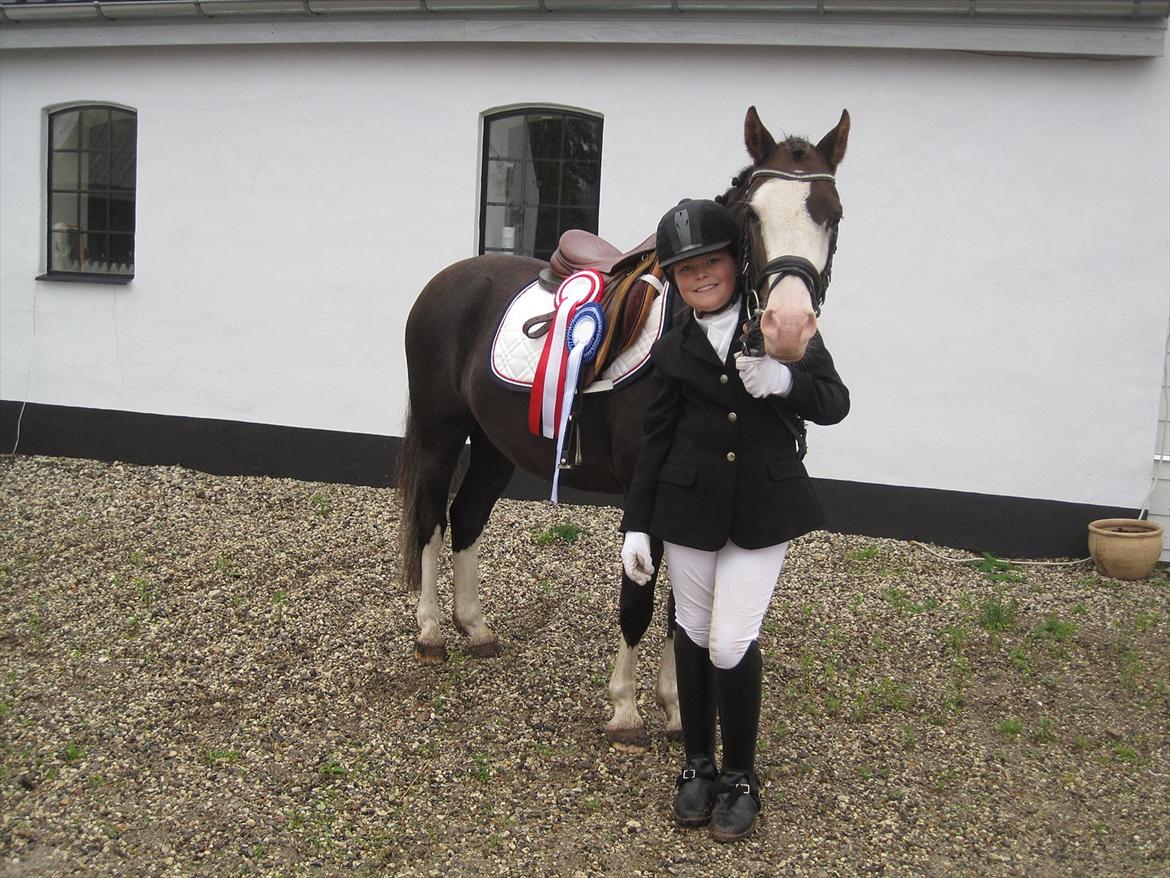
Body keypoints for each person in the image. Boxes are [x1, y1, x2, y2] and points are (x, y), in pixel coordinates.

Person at [620, 198, 850, 842]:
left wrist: (783, 380)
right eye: (685, 268)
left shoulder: (782, 328)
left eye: (712, 262)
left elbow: (835, 402)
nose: (700, 276)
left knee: (728, 641)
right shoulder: (671, 349)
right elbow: (655, 442)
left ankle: (742, 775)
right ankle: (697, 763)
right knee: (691, 632)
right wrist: (637, 526)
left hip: (761, 508)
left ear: (737, 262)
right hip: (687, 509)